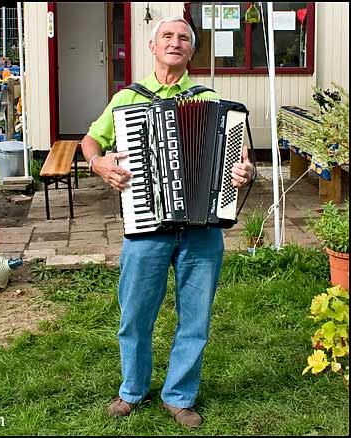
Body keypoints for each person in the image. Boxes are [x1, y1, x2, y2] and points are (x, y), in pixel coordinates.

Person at [81, 17, 254, 428]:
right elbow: (92, 138)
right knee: (135, 314)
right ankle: (132, 391)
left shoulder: (210, 98)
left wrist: (243, 169)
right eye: (167, 37)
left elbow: (240, 152)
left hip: (202, 228)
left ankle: (179, 395)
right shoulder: (127, 99)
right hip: (146, 226)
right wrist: (97, 161)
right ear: (152, 46)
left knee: (196, 316)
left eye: (183, 39)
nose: (175, 43)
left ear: (192, 51)